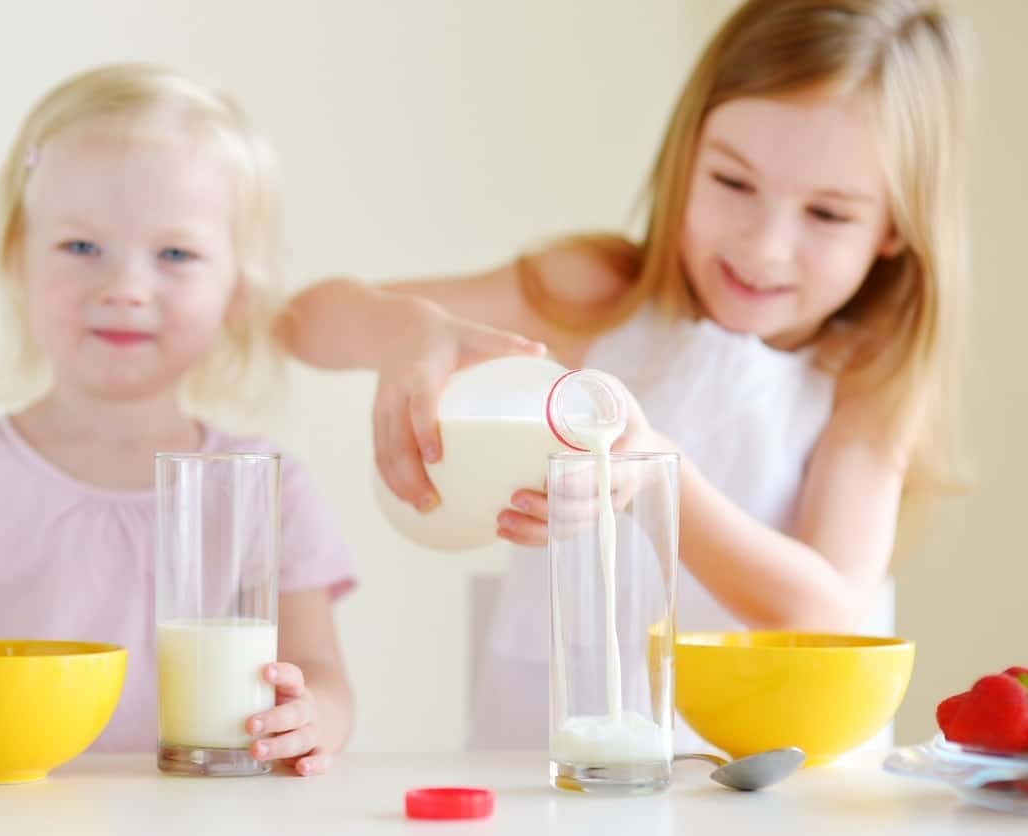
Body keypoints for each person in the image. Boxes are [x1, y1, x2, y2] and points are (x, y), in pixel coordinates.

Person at [277, 0, 967, 750]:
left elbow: (823, 611)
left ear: (895, 225)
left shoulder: (867, 373)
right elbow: (303, 324)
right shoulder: (596, 292)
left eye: (827, 214)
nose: (764, 247)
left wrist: (651, 473)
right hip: (547, 767)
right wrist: (404, 329)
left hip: (767, 784)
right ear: (686, 156)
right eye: (732, 183)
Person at [0, 64, 357, 774]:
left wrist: (315, 720)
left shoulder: (268, 491)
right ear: (16, 262)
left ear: (238, 291)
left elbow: (320, 672)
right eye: (82, 247)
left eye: (176, 253)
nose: (125, 288)